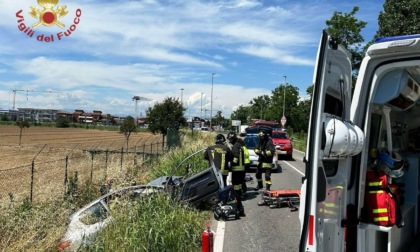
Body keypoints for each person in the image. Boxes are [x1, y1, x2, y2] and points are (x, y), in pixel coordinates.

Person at [227, 131, 246, 216]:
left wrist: (231, 163)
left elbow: (236, 157)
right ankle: (240, 194)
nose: (230, 141)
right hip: (241, 169)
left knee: (236, 185)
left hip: (237, 169)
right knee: (239, 184)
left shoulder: (235, 146)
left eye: (230, 139)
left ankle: (237, 197)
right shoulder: (240, 145)